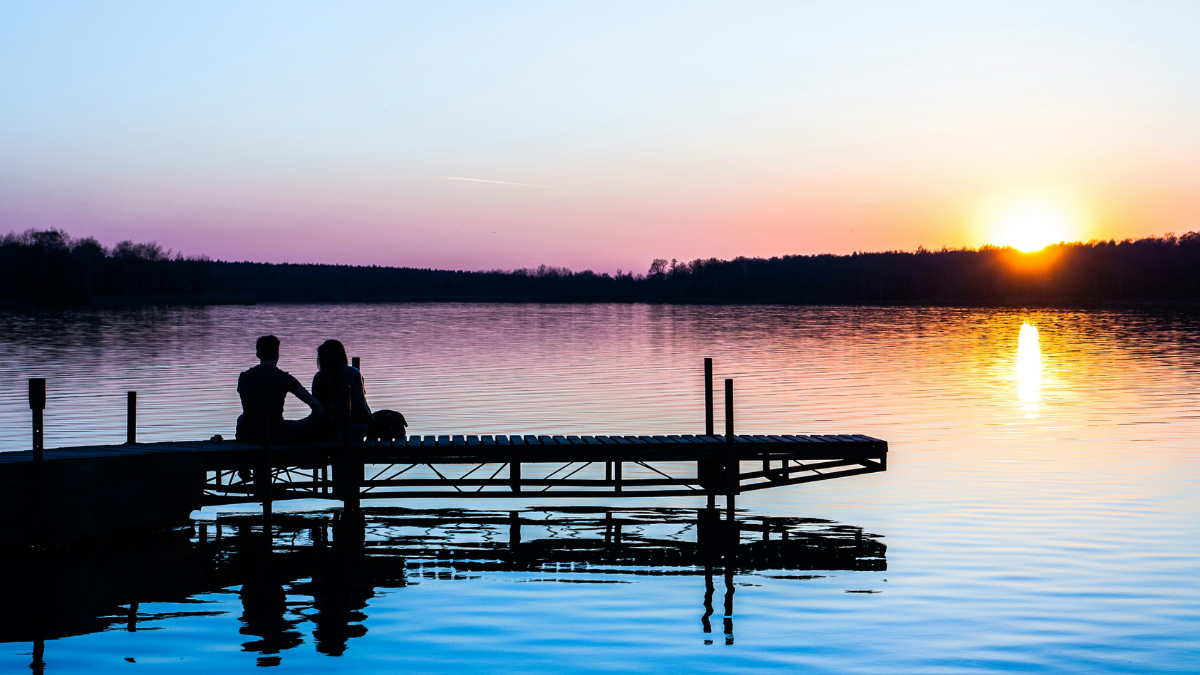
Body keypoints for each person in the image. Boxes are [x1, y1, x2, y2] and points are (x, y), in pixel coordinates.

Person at [236, 335, 325, 444]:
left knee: (241, 419)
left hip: (249, 433)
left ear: (258, 355)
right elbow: (315, 404)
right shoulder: (284, 378)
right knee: (313, 421)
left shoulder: (244, 377)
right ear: (277, 355)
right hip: (276, 434)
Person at [311, 339, 373, 441]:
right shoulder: (355, 372)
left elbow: (317, 407)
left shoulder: (321, 376)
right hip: (363, 427)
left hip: (339, 429)